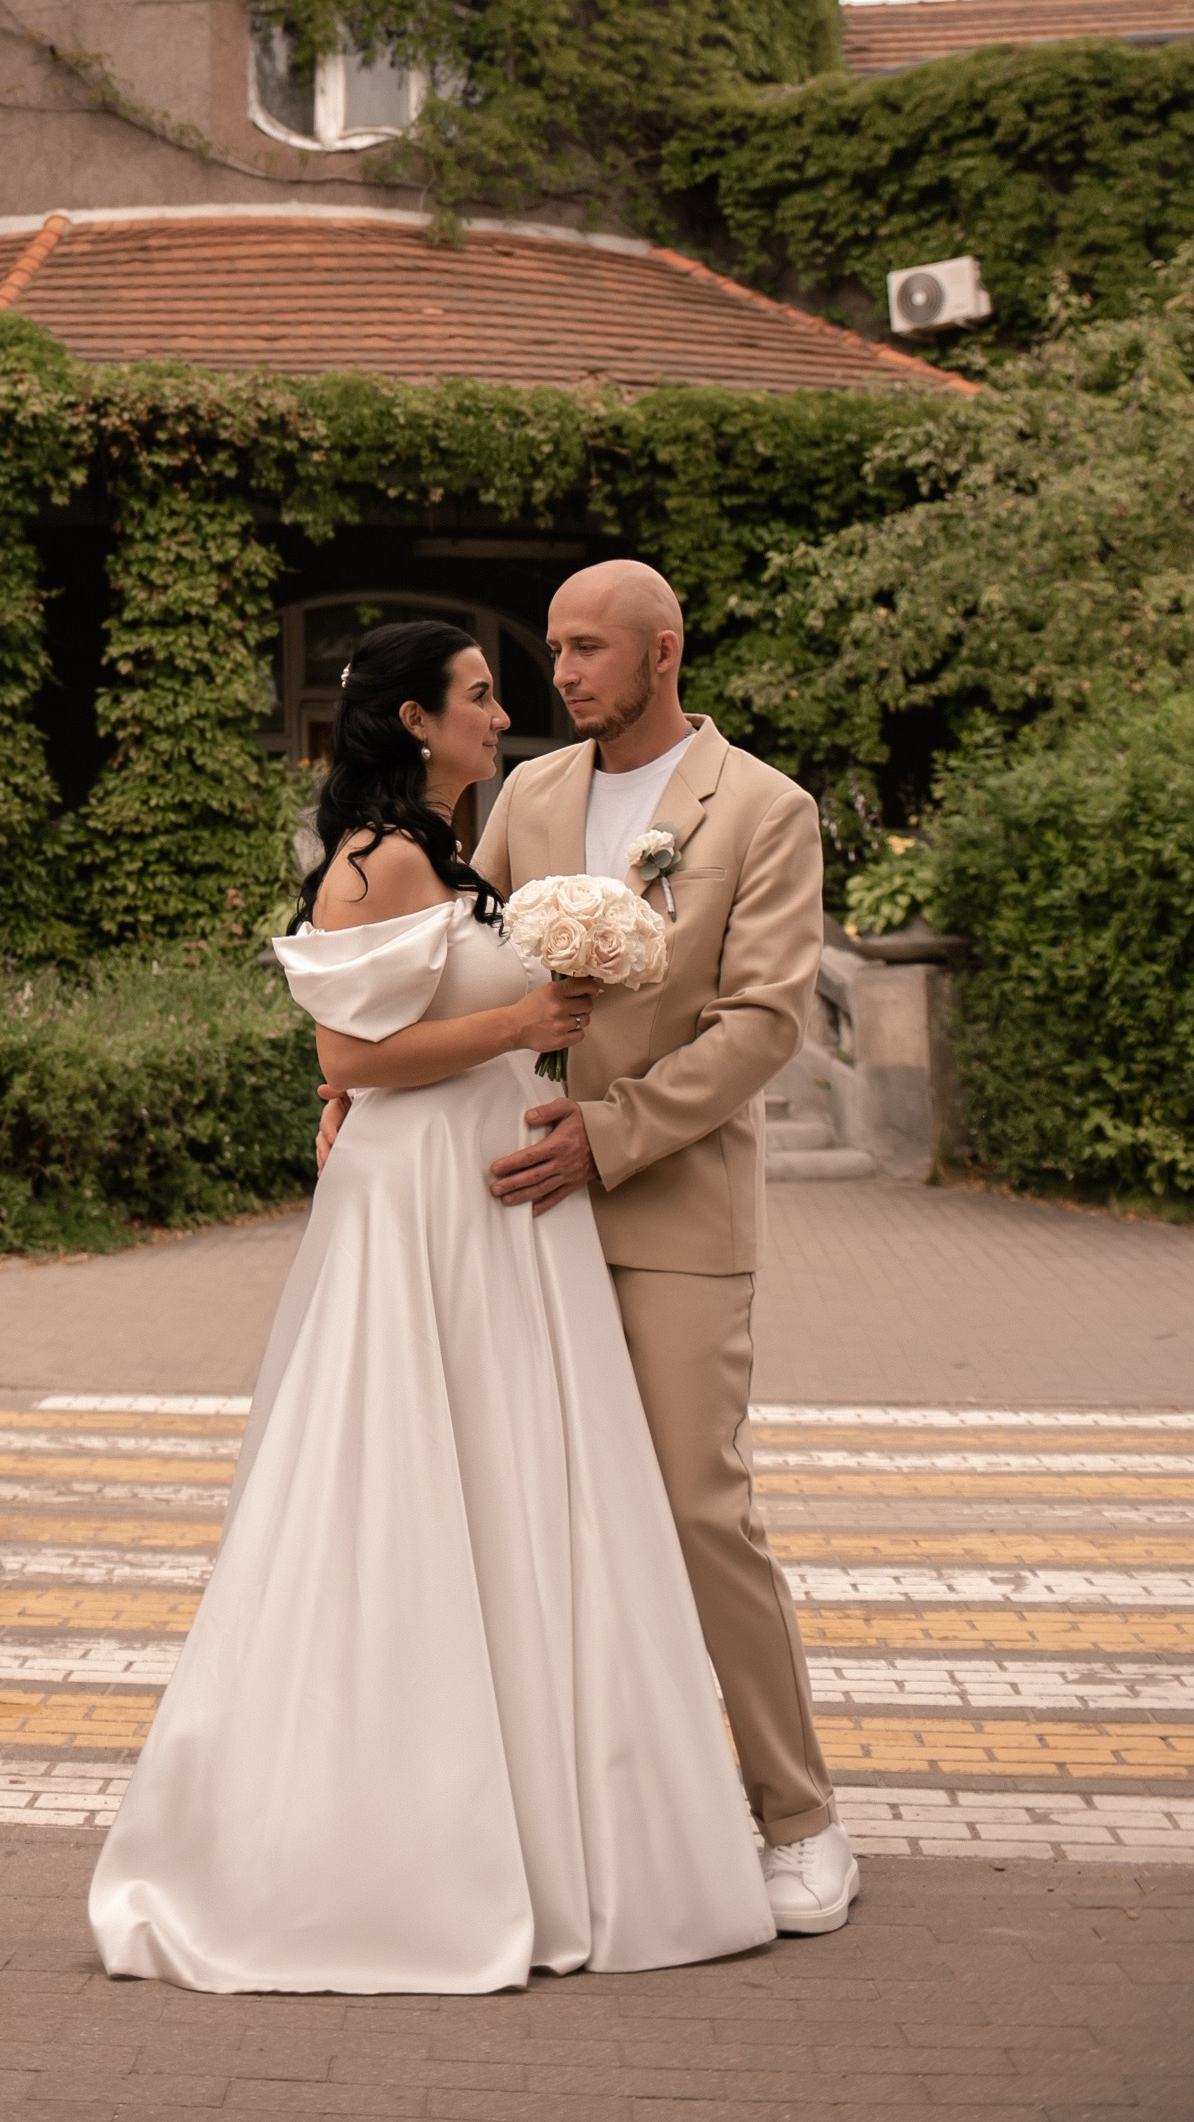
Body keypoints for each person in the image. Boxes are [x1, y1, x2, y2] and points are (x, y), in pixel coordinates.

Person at [88, 618, 775, 1996]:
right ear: (414, 721)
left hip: (494, 1202)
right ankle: (381, 1842)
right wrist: (520, 1027)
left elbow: (395, 1026)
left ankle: (542, 1822)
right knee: (403, 1494)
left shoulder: (455, 854)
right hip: (419, 1216)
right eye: (477, 694)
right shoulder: (376, 858)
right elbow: (354, 1046)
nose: (505, 710)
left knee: (516, 1500)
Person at [470, 558, 857, 1937]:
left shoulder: (761, 808)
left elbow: (762, 1022)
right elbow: (475, 961)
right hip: (526, 1194)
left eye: (587, 648)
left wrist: (613, 1130)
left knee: (700, 1506)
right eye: (556, 650)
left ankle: (800, 1813)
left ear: (664, 649)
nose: (562, 673)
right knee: (542, 1510)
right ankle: (595, 1804)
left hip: (675, 1202)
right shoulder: (526, 798)